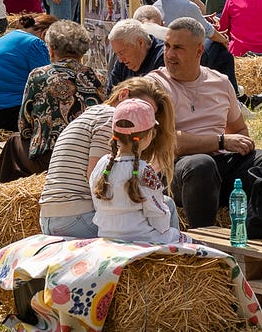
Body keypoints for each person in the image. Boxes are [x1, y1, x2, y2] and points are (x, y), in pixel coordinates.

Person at [150, 17, 262, 228]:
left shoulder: (219, 81)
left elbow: (238, 129)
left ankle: (261, 229)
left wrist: (242, 146)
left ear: (199, 51)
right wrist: (220, 141)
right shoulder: (155, 85)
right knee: (201, 165)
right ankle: (205, 239)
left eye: (178, 48)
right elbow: (165, 141)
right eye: (167, 46)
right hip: (178, 170)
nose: (170, 54)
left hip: (220, 166)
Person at [40, 77, 177, 238]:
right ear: (123, 95)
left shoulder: (94, 112)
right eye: (140, 108)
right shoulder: (112, 118)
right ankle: (174, 250)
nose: (141, 115)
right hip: (76, 218)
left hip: (51, 218)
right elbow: (94, 178)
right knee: (166, 205)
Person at [0, 21, 105, 180]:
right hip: (89, 157)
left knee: (14, 142)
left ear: (51, 49)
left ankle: (3, 190)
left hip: (50, 159)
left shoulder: (38, 75)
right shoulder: (99, 78)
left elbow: (24, 125)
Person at [90, 97, 185, 244]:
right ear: (149, 135)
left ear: (114, 134)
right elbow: (159, 218)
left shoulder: (102, 165)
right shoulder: (144, 171)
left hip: (107, 236)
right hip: (144, 238)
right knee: (187, 241)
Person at [0, 14, 51, 130]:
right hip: (10, 113)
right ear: (45, 33)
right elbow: (45, 82)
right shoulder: (35, 43)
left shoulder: (8, 37)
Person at [107, 18, 165, 92]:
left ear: (140, 43)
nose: (120, 60)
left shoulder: (163, 57)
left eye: (122, 52)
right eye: (117, 54)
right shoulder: (122, 62)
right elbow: (111, 93)